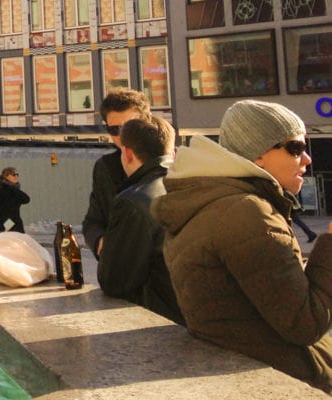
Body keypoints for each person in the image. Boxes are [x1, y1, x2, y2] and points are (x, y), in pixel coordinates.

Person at [151, 100, 332, 392]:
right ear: (258, 155)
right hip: (285, 381)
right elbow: (305, 323)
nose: (307, 158)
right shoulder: (246, 212)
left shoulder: (215, 202)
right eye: (295, 148)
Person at [96, 115, 182, 323]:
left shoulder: (133, 201)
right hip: (190, 312)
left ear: (127, 153)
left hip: (159, 319)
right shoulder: (186, 184)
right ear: (171, 151)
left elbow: (114, 281)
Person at [82, 88, 150, 257]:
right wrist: (100, 241)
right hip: (121, 270)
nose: (122, 135)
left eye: (129, 126)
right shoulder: (105, 167)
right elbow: (93, 221)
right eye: (114, 130)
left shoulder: (172, 161)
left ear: (146, 122)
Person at [0, 167, 29, 233]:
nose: (16, 176)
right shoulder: (1, 189)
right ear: (6, 176)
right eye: (13, 174)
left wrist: (15, 188)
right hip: (2, 223)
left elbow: (26, 199)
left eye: (17, 174)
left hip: (15, 222)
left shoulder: (15, 190)